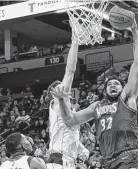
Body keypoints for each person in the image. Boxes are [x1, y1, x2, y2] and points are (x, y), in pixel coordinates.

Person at [52, 14, 138, 169]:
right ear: (105, 90)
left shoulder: (127, 99)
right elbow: (70, 120)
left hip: (129, 158)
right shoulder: (96, 106)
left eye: (117, 84)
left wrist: (134, 30)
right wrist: (61, 101)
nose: (113, 86)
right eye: (110, 84)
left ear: (124, 88)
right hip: (108, 162)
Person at [47, 33, 89, 169]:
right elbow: (70, 70)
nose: (65, 87)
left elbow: (69, 137)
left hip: (66, 160)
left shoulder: (66, 112)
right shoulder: (56, 104)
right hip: (59, 160)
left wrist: (82, 150)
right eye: (60, 85)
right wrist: (75, 41)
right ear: (53, 93)